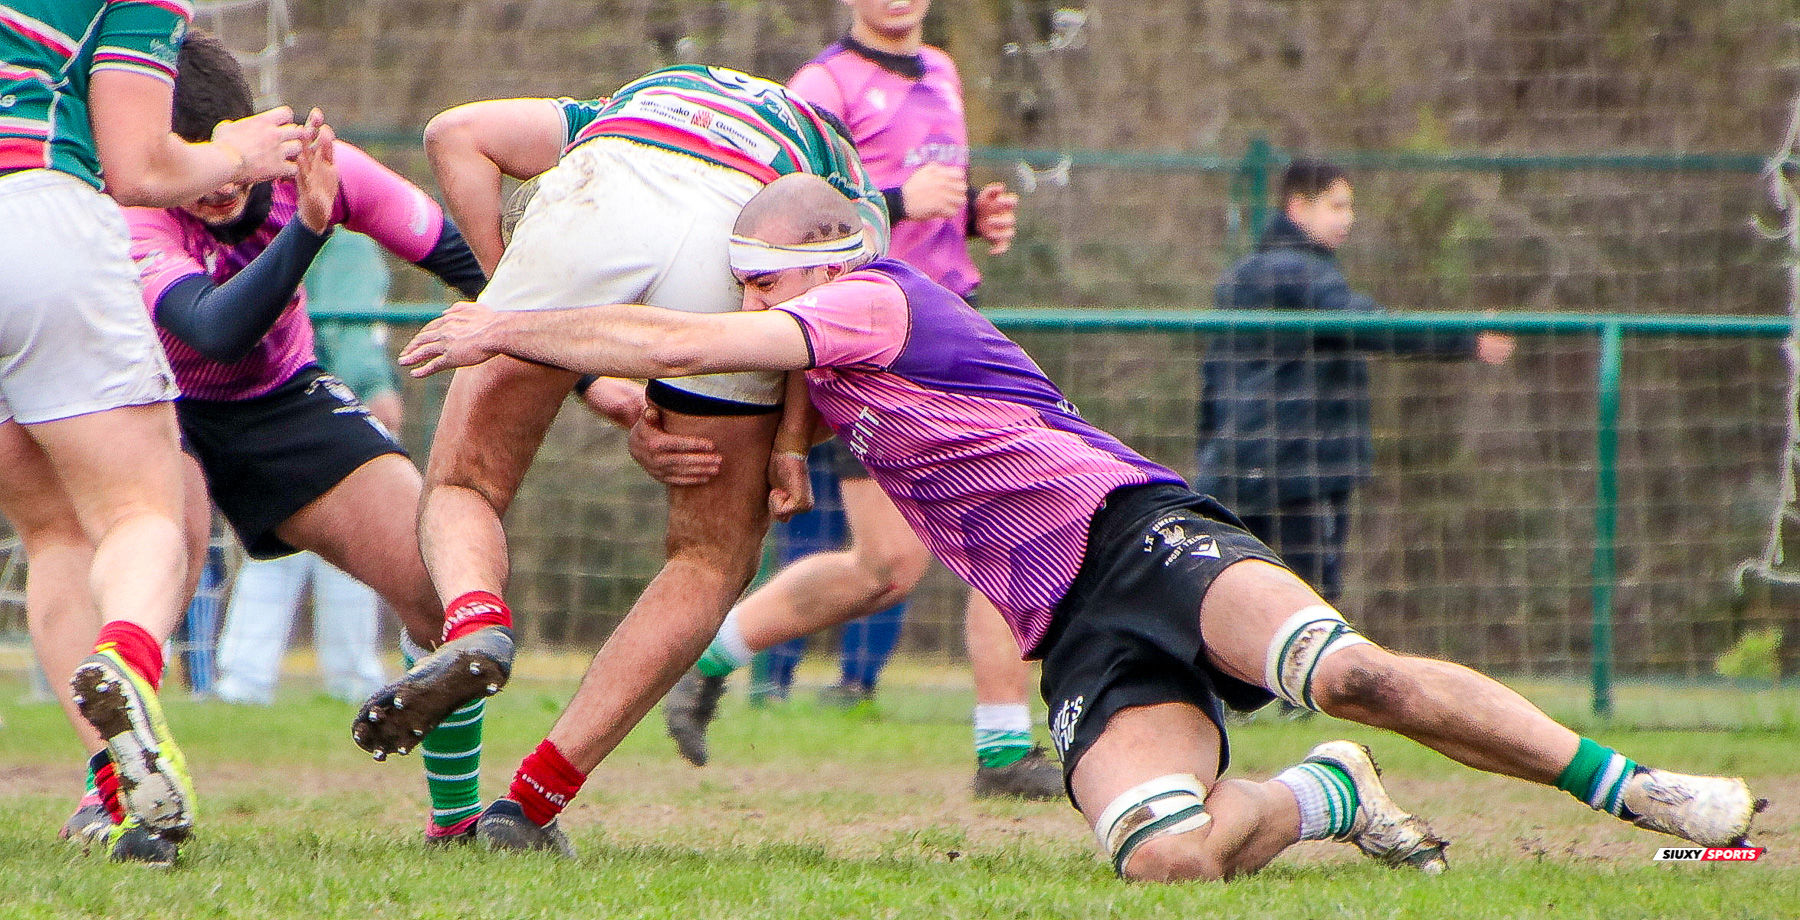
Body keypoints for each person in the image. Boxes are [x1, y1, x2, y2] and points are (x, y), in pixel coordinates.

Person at [395, 174, 1763, 878]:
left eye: (764, 282)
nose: (752, 303)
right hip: (1071, 628)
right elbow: (736, 400)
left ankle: (1638, 789)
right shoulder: (826, 356)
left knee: (1357, 671)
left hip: (1135, 533)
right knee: (1168, 858)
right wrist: (683, 430)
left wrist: (510, 322)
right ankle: (1324, 795)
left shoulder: (873, 294)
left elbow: (690, 340)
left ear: (822, 262)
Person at [347, 66, 888, 839]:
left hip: (596, 194)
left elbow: (453, 134)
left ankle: (476, 620)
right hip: (737, 236)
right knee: (709, 559)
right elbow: (827, 313)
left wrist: (514, 304)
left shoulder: (622, 105)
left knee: (464, 486)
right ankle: (529, 807)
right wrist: (791, 443)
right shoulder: (837, 169)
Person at [60, 33, 491, 857]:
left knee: (439, 580)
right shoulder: (133, 211)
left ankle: (458, 821)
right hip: (154, 402)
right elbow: (214, 330)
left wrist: (597, 377)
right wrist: (310, 231)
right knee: (158, 565)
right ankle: (111, 799)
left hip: (281, 399)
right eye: (189, 164)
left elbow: (469, 263)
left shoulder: (316, 166)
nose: (218, 185)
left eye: (230, 158)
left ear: (257, 132)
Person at [660, 0, 1054, 801]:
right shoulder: (824, 84)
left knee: (937, 549)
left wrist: (969, 217)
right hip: (868, 343)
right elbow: (785, 220)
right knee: (922, 552)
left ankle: (1003, 750)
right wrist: (903, 200)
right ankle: (707, 654)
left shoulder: (942, 71)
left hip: (948, 325)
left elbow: (922, 221)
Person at [1, 2, 303, 863]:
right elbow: (139, 166)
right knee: (139, 514)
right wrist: (237, 154)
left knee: (52, 530)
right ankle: (127, 660)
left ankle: (115, 793)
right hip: (35, 213)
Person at [1195, 158, 1514, 608]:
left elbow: (1212, 382)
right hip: (1299, 470)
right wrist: (1466, 337)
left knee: (1241, 600)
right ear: (1298, 207)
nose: (1349, 218)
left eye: (1350, 207)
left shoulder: (1243, 275)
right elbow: (1369, 326)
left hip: (1236, 466)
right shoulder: (1303, 273)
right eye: (1337, 206)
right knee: (1308, 608)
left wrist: (1208, 457)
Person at [211, 231, 400, 706]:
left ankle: (246, 679)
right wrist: (374, 385)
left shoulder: (269, 232)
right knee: (351, 545)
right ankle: (348, 677)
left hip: (273, 400)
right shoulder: (347, 244)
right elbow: (348, 325)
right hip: (328, 404)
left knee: (278, 544)